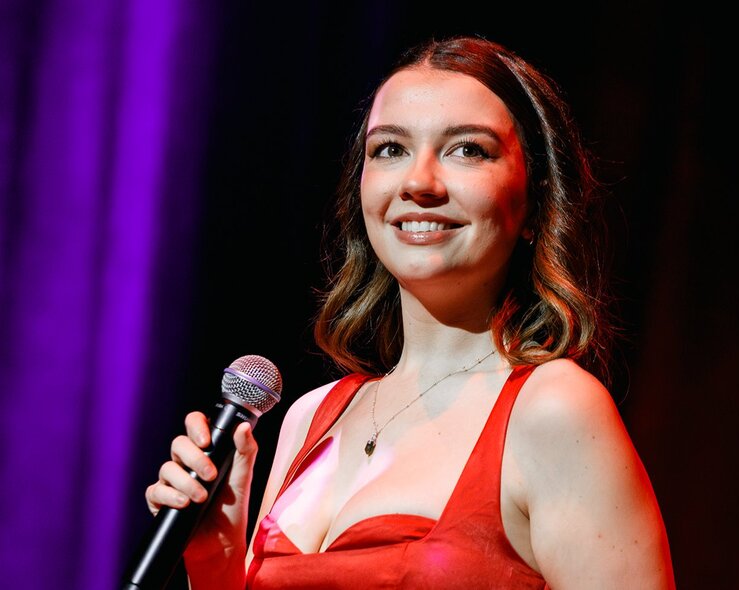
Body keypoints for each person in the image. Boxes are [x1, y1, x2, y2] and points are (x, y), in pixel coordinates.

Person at [146, 34, 676, 589]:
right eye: (390, 149)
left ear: (536, 199)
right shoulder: (311, 415)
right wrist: (216, 560)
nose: (418, 183)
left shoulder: (553, 411)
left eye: (467, 149)